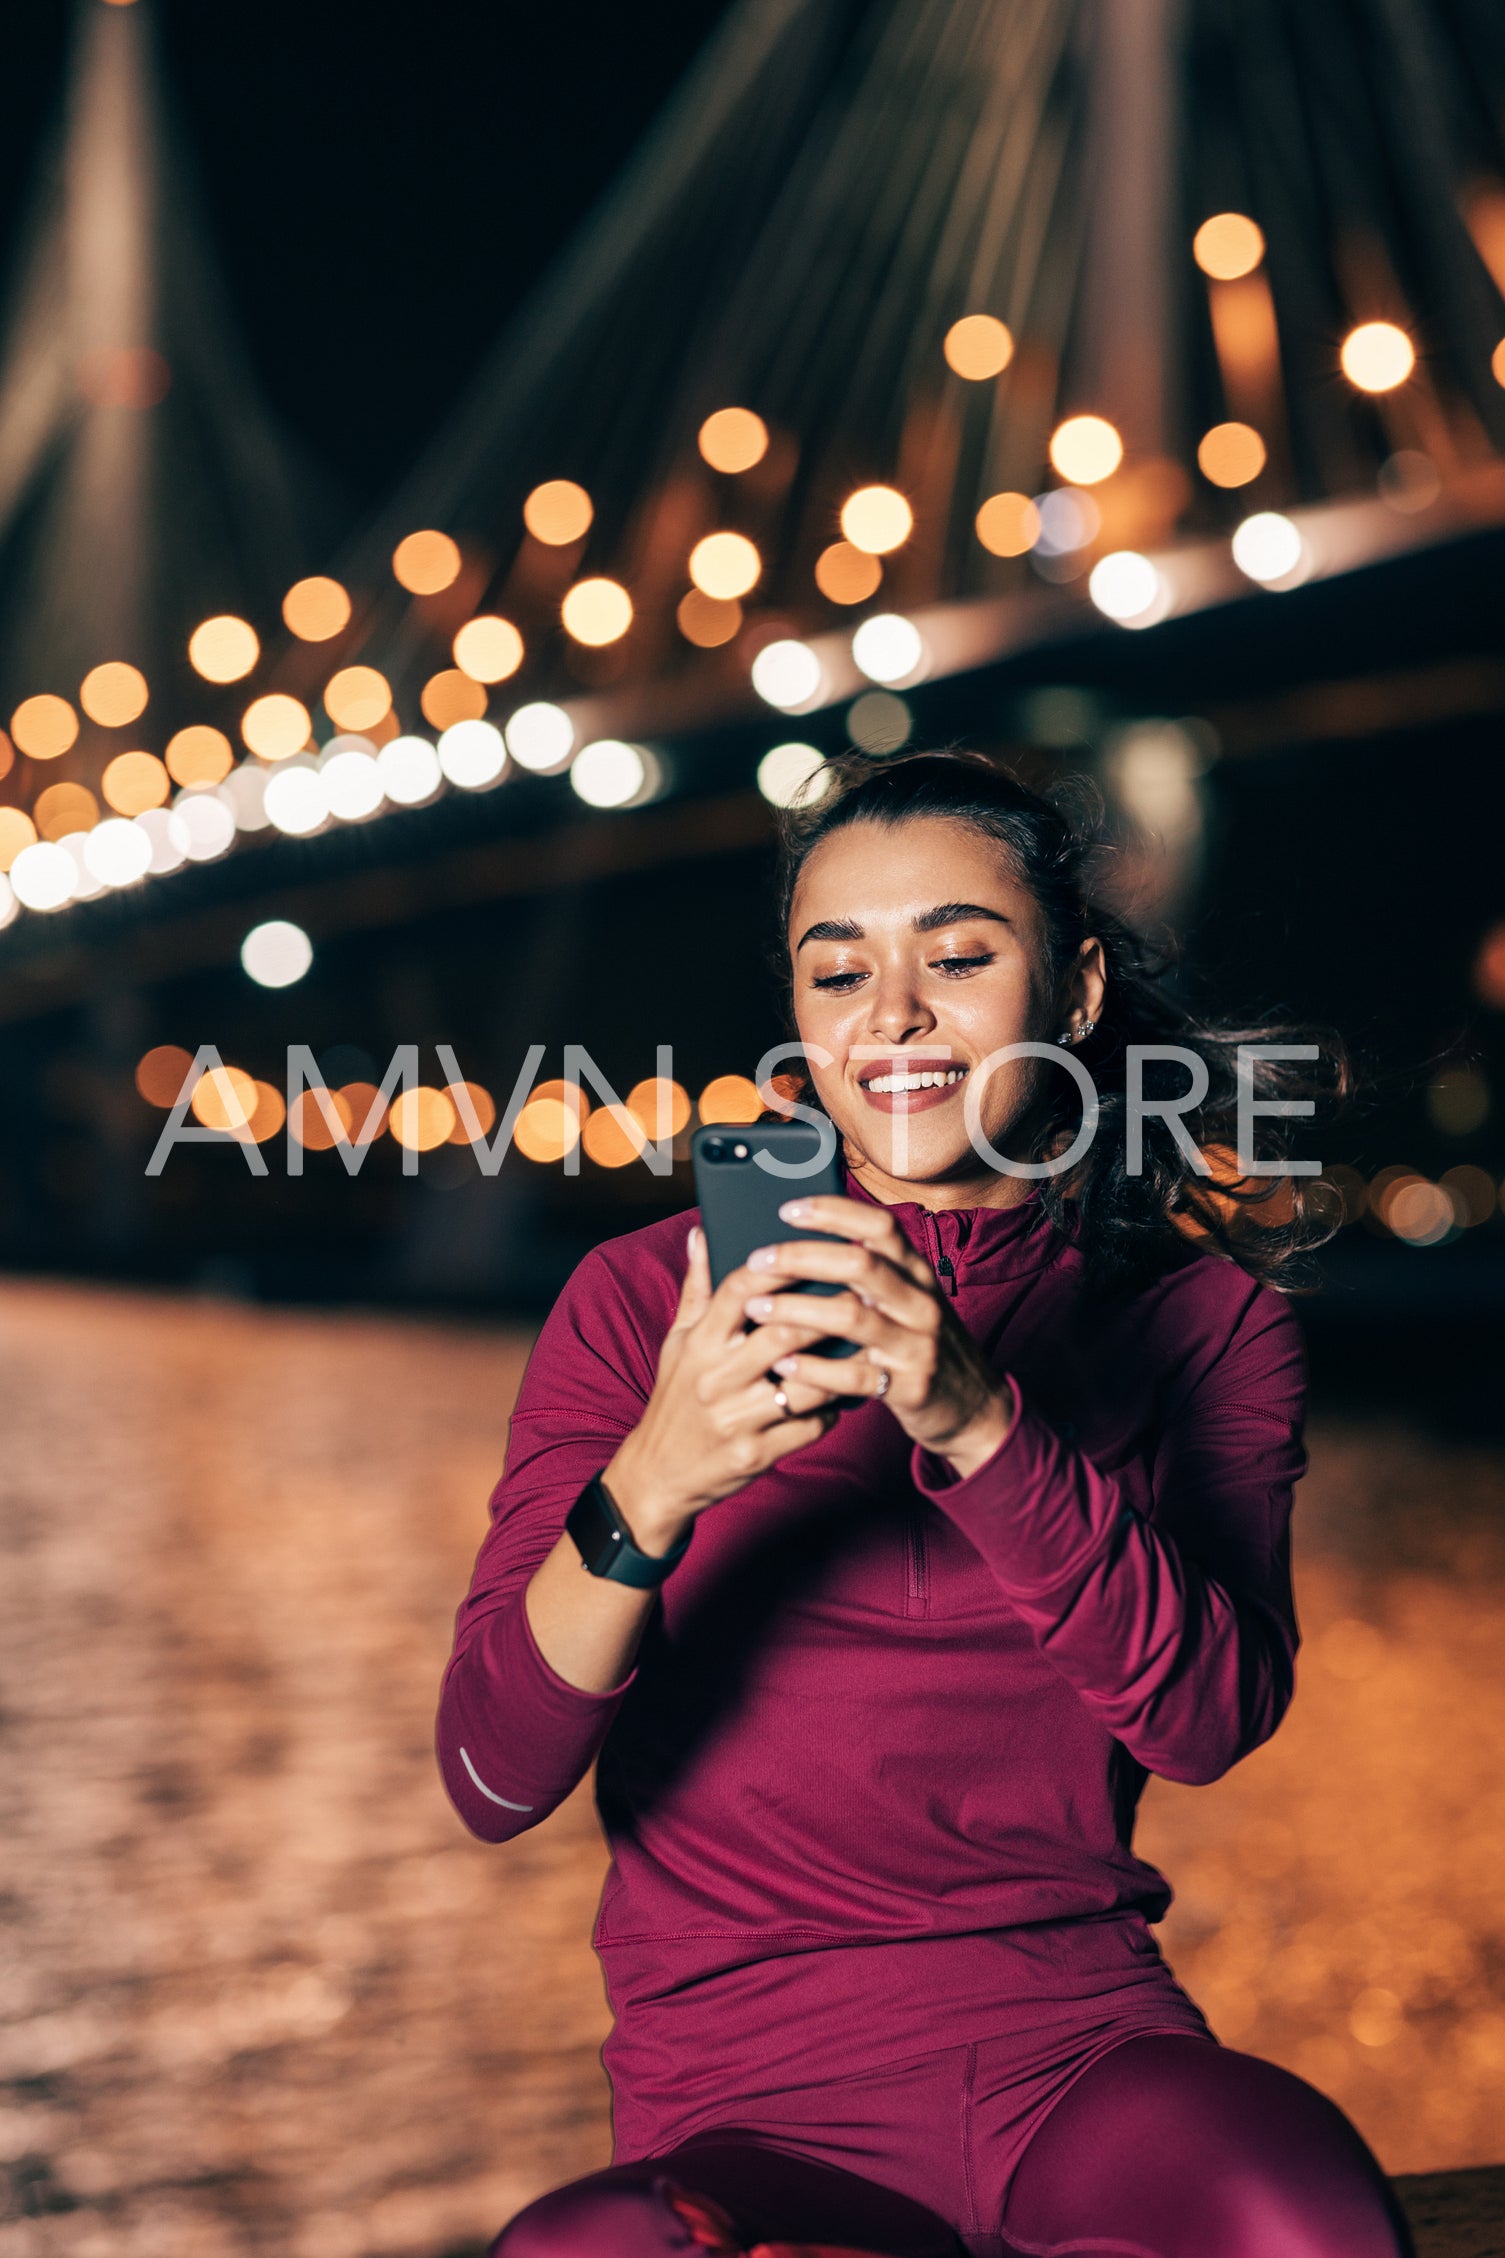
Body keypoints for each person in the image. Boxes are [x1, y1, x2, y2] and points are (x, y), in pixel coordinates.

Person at [436, 751, 1415, 2258]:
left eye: (956, 957)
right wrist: (661, 1470)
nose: (890, 1016)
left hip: (1075, 2056)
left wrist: (975, 1417)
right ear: (801, 1018)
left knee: (1301, 2213)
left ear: (1073, 991)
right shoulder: (642, 1303)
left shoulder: (1200, 1319)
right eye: (838, 975)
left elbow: (1207, 1719)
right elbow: (491, 1777)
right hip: (743, 2101)